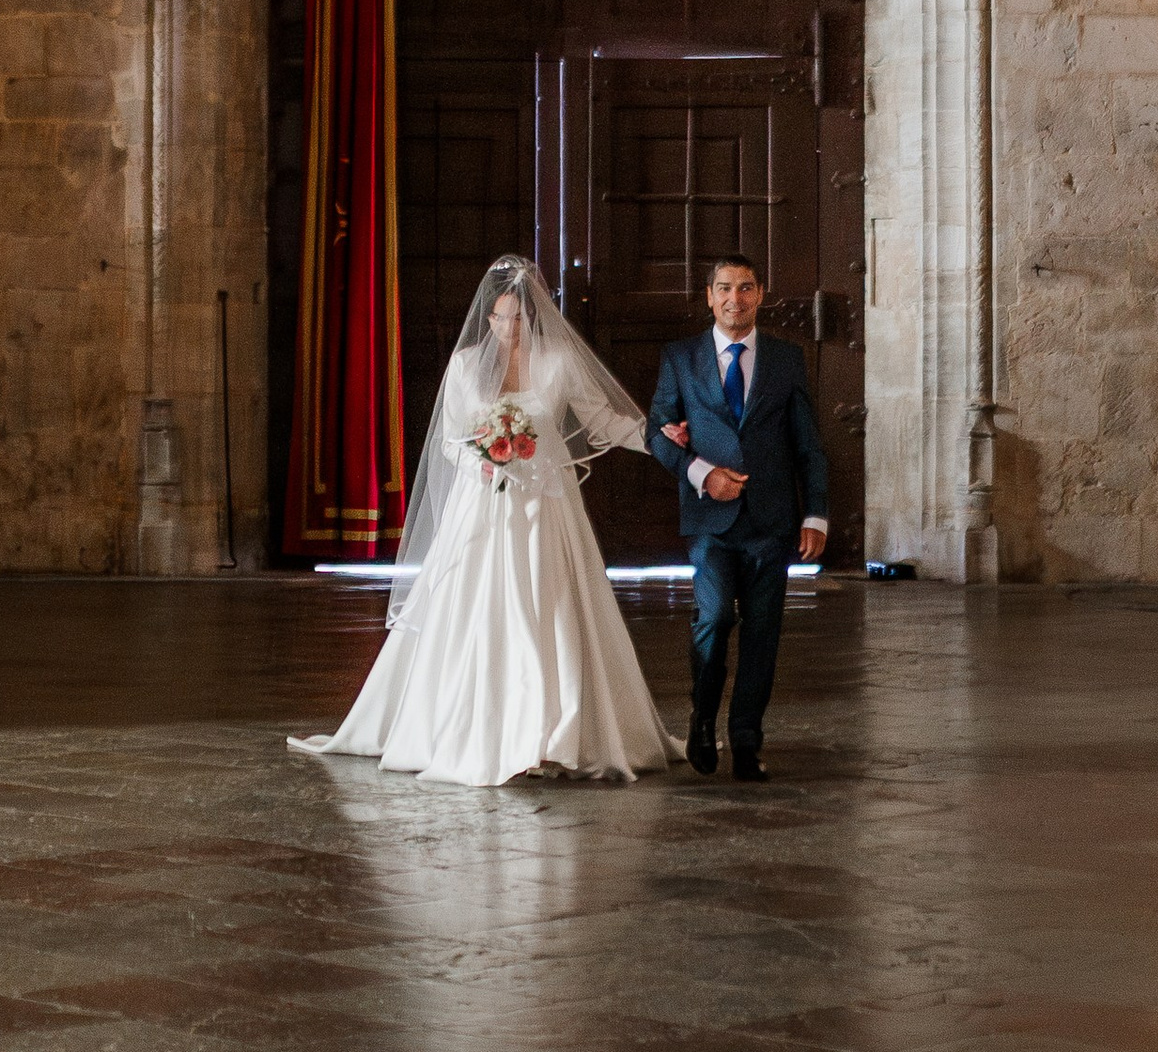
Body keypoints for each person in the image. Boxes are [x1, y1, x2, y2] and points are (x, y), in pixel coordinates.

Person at [290, 257, 673, 787]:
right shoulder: (467, 366)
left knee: (550, 603)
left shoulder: (559, 361)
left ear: (534, 318)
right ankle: (476, 726)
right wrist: (490, 456)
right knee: (476, 604)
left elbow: (602, 419)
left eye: (518, 318)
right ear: (487, 317)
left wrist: (657, 439)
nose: (508, 329)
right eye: (500, 317)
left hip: (545, 503)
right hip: (482, 500)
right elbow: (450, 440)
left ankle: (554, 732)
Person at [645, 255, 829, 781]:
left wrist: (815, 514)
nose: (735, 298)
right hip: (709, 521)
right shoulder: (681, 357)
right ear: (709, 296)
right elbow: (657, 432)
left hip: (771, 521)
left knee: (763, 631)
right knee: (715, 618)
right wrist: (702, 473)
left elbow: (808, 445)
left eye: (745, 288)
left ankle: (747, 738)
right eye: (724, 288)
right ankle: (702, 719)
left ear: (760, 295)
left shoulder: (786, 358)